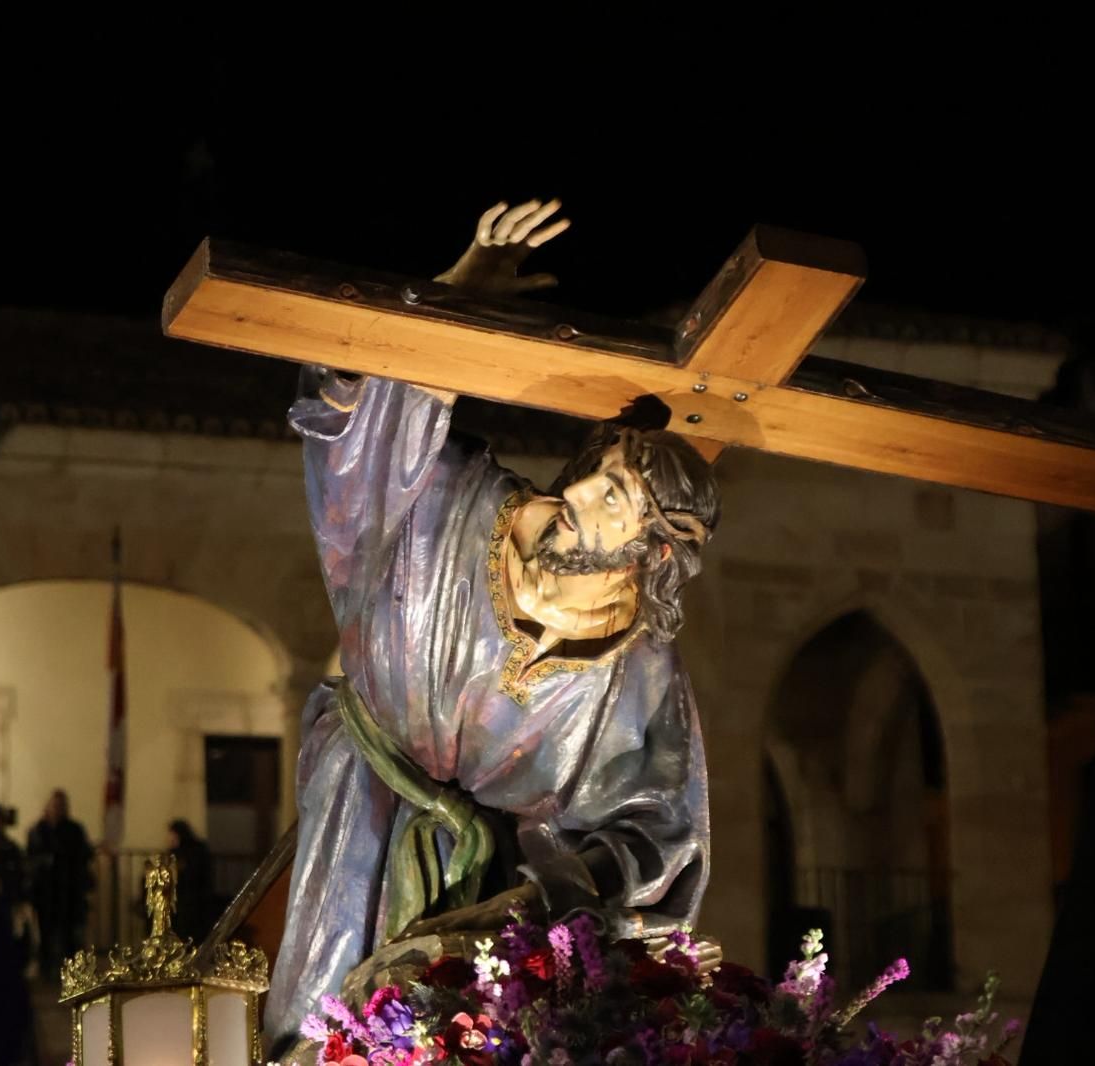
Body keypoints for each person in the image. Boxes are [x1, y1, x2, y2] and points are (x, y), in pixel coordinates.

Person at [265, 200, 719, 1047]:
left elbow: (657, 822)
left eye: (613, 499)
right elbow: (347, 429)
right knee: (319, 1036)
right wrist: (448, 302)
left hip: (498, 897)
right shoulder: (451, 504)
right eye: (596, 471)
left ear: (650, 552)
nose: (579, 494)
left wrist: (555, 889)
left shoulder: (638, 667)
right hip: (361, 805)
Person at [26, 789, 94, 980]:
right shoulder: (39, 830)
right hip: (46, 890)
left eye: (61, 806)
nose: (58, 809)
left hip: (68, 889)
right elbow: (32, 856)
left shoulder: (73, 829)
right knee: (46, 931)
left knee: (69, 933)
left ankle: (70, 970)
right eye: (55, 806)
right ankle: (47, 968)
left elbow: (83, 854)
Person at [166, 818, 215, 942]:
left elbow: (194, 873)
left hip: (194, 899)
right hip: (184, 899)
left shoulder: (195, 850)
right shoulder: (177, 852)